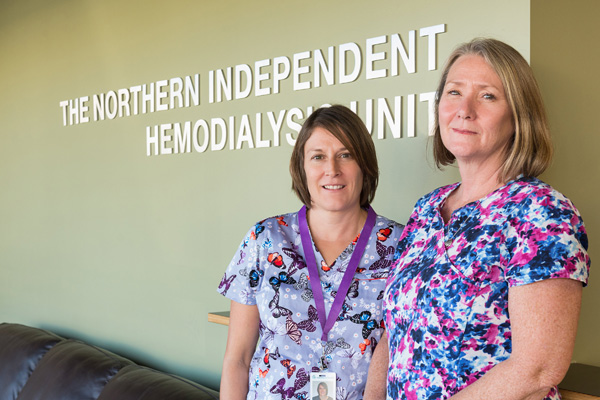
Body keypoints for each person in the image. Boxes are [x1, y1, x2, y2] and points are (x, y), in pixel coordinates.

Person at [366, 38, 591, 400]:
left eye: (487, 96)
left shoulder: (542, 212)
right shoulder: (426, 210)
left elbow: (538, 369)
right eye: (454, 92)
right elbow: (396, 331)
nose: (464, 109)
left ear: (519, 116)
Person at [218, 104, 404, 400]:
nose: (332, 169)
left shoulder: (402, 245)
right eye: (318, 157)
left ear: (364, 164)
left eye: (346, 155)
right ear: (301, 168)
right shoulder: (265, 238)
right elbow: (237, 360)